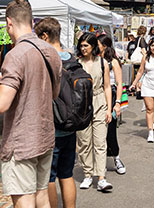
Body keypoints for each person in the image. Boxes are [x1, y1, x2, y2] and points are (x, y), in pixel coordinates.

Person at [0, 0, 63, 208]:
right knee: (41, 196)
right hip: (45, 135)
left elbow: (1, 103)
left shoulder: (15, 55)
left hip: (22, 142)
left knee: (24, 200)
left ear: (9, 23)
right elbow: (54, 94)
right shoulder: (52, 53)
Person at [34, 18, 76, 208]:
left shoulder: (48, 60)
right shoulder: (72, 59)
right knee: (66, 174)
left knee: (48, 178)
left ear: (44, 36)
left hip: (52, 126)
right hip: (71, 125)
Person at [75, 32, 113, 192]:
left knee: (100, 141)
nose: (83, 48)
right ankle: (87, 174)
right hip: (81, 104)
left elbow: (106, 86)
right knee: (84, 142)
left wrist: (109, 109)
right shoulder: (76, 63)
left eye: (86, 45)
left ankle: (101, 177)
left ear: (93, 47)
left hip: (99, 101)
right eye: (81, 45)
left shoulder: (102, 62)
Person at [98, 33, 127, 176]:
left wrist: (118, 103)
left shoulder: (113, 61)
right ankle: (98, 163)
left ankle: (116, 157)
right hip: (97, 96)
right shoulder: (94, 60)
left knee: (110, 131)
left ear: (104, 46)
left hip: (112, 96)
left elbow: (120, 82)